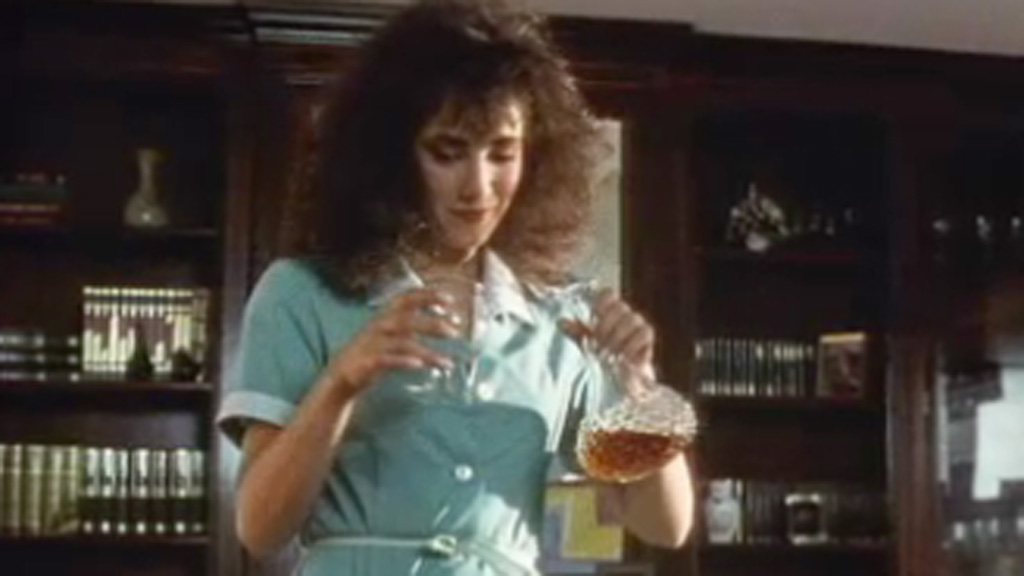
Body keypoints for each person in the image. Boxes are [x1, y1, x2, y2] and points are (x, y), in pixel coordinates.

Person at [216, 0, 694, 574]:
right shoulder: (303, 293)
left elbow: (665, 525)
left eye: (503, 153)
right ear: (391, 154)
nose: (479, 187)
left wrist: (638, 390)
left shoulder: (563, 316)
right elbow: (259, 528)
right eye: (447, 152)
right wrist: (341, 384)